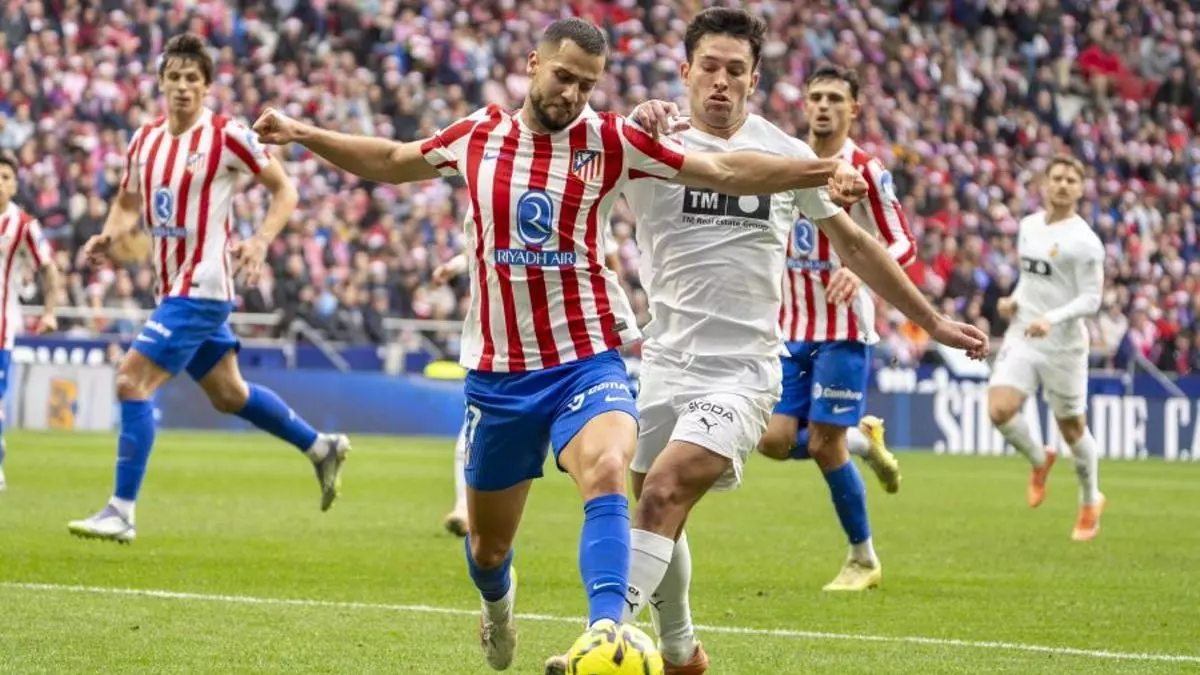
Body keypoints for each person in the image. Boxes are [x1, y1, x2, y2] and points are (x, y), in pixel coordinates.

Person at [250, 16, 902, 672]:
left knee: (612, 470)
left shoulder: (610, 140)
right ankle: (500, 606)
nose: (572, 94)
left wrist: (819, 171)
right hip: (501, 372)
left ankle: (603, 633)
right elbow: (393, 161)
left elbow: (723, 169)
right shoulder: (479, 135)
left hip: (587, 358)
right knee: (487, 551)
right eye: (564, 77)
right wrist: (305, 134)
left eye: (587, 85)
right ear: (533, 63)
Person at [543, 9, 990, 674]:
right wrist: (634, 119)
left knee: (663, 492)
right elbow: (562, 149)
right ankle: (681, 650)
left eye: (736, 70)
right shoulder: (646, 147)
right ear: (685, 71)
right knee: (654, 510)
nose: (721, 81)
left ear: (754, 80)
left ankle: (600, 640)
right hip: (664, 363)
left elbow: (855, 245)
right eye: (710, 67)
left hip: (744, 372)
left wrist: (934, 321)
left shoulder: (789, 157)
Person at [67, 33, 351, 544]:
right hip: (171, 287)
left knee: (131, 381)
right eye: (174, 77)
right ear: (160, 83)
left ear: (206, 86)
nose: (182, 86)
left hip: (203, 285)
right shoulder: (144, 141)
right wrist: (110, 235)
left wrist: (260, 241)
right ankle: (320, 447)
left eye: (192, 79)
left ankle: (121, 510)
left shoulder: (227, 135)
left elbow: (284, 191)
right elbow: (128, 203)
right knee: (229, 394)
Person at [756, 63, 915, 592]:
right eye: (817, 97)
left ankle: (863, 559)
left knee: (826, 447)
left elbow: (903, 242)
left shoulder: (867, 170)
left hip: (844, 327)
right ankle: (862, 442)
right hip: (790, 327)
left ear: (854, 109)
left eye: (835, 99)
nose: (824, 106)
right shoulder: (788, 161)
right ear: (805, 104)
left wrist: (861, 270)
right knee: (772, 440)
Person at [430, 225, 624, 538]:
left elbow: (610, 258)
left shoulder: (586, 208)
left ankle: (605, 517)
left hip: (571, 345)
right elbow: (490, 242)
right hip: (508, 341)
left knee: (601, 457)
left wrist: (613, 307)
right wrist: (455, 264)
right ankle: (465, 507)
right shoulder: (500, 204)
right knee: (477, 426)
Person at [986, 155, 1106, 541]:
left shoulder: (1085, 242)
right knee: (999, 409)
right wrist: (1014, 300)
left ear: (1081, 189)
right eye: (1057, 178)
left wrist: (1052, 319)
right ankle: (1040, 459)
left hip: (1063, 345)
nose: (1063, 185)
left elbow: (1091, 299)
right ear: (1045, 183)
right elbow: (1031, 278)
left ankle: (1090, 499)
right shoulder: (1028, 227)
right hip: (1024, 332)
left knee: (1072, 428)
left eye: (1071, 180)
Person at [0, 152, 62, 492]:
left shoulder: (23, 225)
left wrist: (50, 311)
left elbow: (49, 269)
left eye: (5, 177)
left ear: (14, 186)